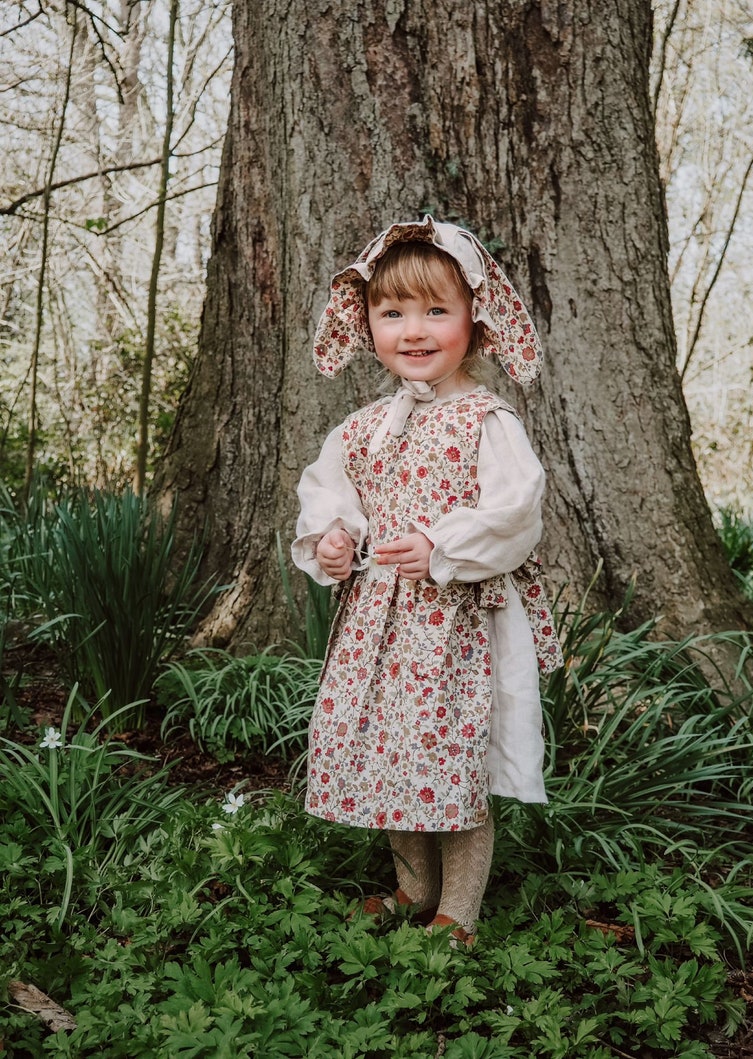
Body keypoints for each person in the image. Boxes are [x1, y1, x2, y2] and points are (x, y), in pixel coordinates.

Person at [292, 216, 562, 946]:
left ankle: (459, 910)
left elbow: (515, 508)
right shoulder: (364, 426)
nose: (413, 330)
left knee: (450, 751)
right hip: (379, 621)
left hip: (454, 622)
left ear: (476, 322)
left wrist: (442, 542)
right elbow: (329, 492)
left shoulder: (486, 418)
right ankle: (413, 886)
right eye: (393, 312)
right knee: (387, 745)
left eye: (436, 310)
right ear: (367, 323)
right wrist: (337, 538)